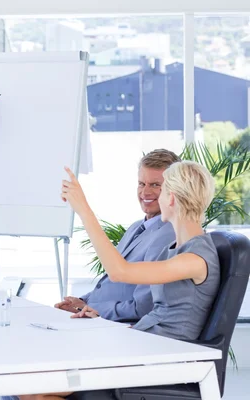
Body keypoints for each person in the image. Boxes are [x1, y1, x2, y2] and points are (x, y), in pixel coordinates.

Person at [15, 160, 219, 400]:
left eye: (161, 189)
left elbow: (119, 272)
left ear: (171, 198)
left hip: (160, 357)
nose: (153, 196)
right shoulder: (177, 249)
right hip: (141, 342)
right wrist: (102, 318)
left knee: (32, 392)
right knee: (27, 380)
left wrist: (84, 210)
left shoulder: (195, 259)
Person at [55, 149, 180, 322]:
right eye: (141, 184)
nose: (145, 193)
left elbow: (143, 306)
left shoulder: (169, 234)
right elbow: (114, 285)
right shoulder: (137, 227)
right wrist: (83, 301)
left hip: (120, 328)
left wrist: (93, 309)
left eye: (155, 185)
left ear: (173, 190)